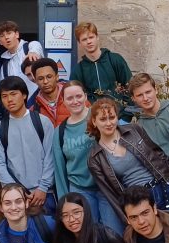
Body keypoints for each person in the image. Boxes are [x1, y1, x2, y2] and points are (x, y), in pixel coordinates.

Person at [87, 99, 169, 220]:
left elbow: (158, 154)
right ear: (94, 121)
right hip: (138, 202)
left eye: (112, 117)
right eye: (103, 119)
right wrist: (127, 218)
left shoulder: (134, 129)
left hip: (163, 188)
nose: (109, 123)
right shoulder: (95, 158)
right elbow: (111, 193)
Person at [52, 82, 121, 233]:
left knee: (114, 232)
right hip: (80, 189)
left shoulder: (100, 117)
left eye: (78, 96)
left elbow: (122, 131)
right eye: (69, 98)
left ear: (85, 96)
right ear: (63, 101)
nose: (75, 101)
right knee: (89, 234)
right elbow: (59, 169)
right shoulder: (59, 132)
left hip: (105, 185)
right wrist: (66, 202)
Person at [0, 76, 57, 216]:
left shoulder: (42, 122)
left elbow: (51, 156)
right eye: (4, 96)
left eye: (14, 94)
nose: (9, 99)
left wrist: (43, 188)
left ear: (24, 95)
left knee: (49, 234)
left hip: (45, 194)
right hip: (17, 198)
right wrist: (17, 192)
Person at [129, 72, 169, 163]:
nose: (145, 98)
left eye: (148, 92)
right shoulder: (139, 128)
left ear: (156, 90)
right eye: (140, 95)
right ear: (133, 98)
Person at [72, 22, 133, 107]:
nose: (89, 41)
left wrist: (125, 116)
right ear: (79, 43)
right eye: (84, 39)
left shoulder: (115, 60)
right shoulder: (78, 70)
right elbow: (75, 98)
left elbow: (130, 87)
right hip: (93, 117)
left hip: (119, 116)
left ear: (97, 37)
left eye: (91, 37)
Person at [0, 20, 44, 96]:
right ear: (0, 42)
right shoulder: (4, 66)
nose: (6, 37)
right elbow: (4, 89)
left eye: (9, 33)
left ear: (17, 34)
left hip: (40, 101)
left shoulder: (29, 47)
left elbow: (35, 46)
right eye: (2, 36)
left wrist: (33, 52)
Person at [31, 58, 68, 127]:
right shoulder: (33, 110)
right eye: (40, 78)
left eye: (49, 77)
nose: (45, 81)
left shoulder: (76, 98)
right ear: (35, 81)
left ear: (57, 77)